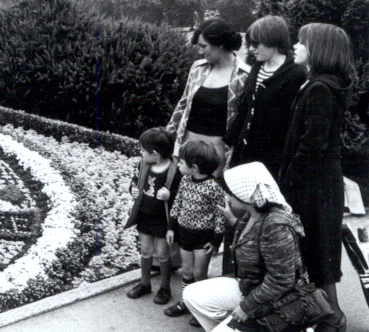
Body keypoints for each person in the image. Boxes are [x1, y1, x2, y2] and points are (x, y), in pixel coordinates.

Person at [183, 162, 313, 332]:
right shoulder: (252, 215)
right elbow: (253, 240)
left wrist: (246, 307)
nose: (227, 197)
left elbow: (282, 281)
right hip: (249, 287)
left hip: (278, 302)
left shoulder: (276, 226)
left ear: (246, 196)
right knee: (191, 294)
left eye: (231, 193)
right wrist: (231, 220)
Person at [279, 23, 356, 332]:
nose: (295, 46)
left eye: (302, 42)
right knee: (317, 251)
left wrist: (289, 184)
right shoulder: (318, 84)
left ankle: (333, 320)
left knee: (319, 252)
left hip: (316, 184)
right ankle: (325, 319)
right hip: (319, 180)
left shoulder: (321, 88)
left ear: (318, 49)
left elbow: (313, 145)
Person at [224, 16, 307, 178]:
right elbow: (245, 108)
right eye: (250, 44)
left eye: (256, 44)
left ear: (273, 41)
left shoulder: (296, 73)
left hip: (272, 159)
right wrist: (232, 143)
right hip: (245, 152)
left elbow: (294, 122)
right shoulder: (256, 68)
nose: (251, 49)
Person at [167, 19, 250, 178]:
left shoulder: (244, 75)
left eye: (203, 46)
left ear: (220, 44)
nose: (200, 51)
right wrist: (168, 135)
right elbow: (183, 103)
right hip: (187, 145)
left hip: (217, 152)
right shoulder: (198, 68)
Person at [163, 140, 226, 324]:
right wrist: (171, 227)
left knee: (200, 274)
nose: (178, 164)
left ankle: (201, 309)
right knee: (187, 272)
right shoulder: (184, 180)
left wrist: (216, 240)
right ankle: (185, 302)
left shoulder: (214, 187)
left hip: (203, 238)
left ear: (194, 167)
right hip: (184, 234)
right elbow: (177, 204)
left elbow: (220, 215)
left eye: (181, 162)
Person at [125, 128, 182, 304]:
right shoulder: (143, 165)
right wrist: (133, 190)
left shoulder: (176, 170)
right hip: (144, 216)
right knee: (146, 251)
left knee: (163, 255)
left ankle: (165, 287)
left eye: (143, 150)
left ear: (155, 154)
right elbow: (136, 181)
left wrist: (169, 196)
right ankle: (145, 283)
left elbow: (180, 195)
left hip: (163, 221)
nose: (140, 153)